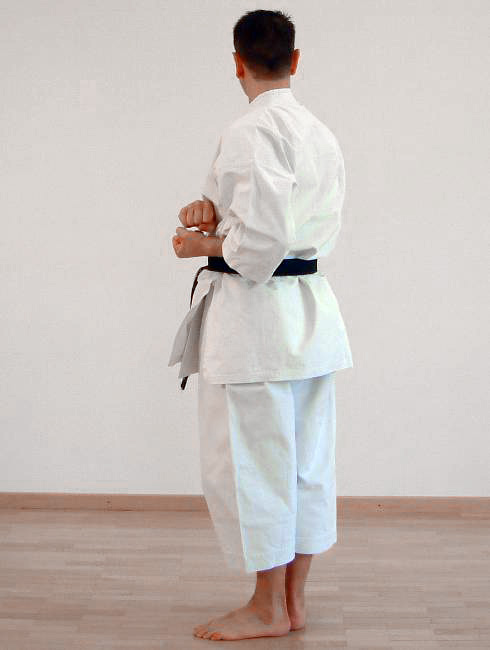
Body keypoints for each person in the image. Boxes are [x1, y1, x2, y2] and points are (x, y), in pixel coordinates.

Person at [169, 9, 353, 642]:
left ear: (237, 63)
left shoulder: (249, 131)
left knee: (255, 464)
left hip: (258, 324)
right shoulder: (320, 133)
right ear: (295, 61)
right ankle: (293, 602)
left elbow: (261, 244)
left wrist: (202, 245)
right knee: (305, 462)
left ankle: (266, 606)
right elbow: (277, 219)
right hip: (310, 316)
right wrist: (211, 209)